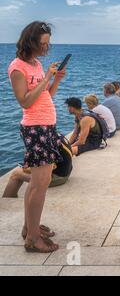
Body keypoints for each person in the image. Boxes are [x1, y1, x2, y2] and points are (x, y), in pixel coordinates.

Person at [8, 21, 65, 253]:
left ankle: (29, 227)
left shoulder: (36, 64)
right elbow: (25, 101)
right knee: (40, 185)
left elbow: (45, 96)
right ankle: (33, 239)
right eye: (42, 44)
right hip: (35, 128)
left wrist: (56, 79)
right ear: (30, 41)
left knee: (36, 183)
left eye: (48, 44)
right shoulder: (17, 68)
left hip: (46, 126)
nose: (45, 48)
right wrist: (45, 78)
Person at [3, 137, 73, 198]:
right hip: (67, 171)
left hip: (59, 177)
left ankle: (8, 200)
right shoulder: (54, 135)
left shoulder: (43, 142)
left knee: (16, 174)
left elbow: (50, 167)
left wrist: (27, 169)